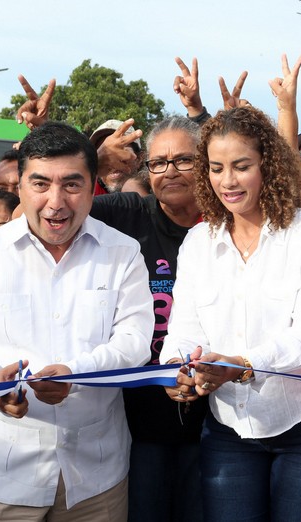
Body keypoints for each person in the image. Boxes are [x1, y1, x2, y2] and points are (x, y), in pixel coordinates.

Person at [0, 121, 155, 520]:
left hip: (96, 478)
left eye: (71, 184)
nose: (56, 202)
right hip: (3, 475)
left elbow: (134, 342)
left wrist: (77, 373)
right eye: (40, 184)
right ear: (19, 188)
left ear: (93, 186)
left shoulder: (122, 253)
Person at [160, 106, 301, 521]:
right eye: (216, 168)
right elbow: (184, 328)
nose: (227, 181)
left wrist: (243, 365)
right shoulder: (198, 241)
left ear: (267, 165)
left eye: (241, 166)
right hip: (229, 426)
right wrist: (178, 370)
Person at [89, 115, 208, 522]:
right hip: (138, 422)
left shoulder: (230, 224)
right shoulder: (128, 213)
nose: (169, 171)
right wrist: (95, 161)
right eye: (158, 162)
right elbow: (38, 213)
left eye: (184, 160)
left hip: (214, 420)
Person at [90, 119, 143, 194]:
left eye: (120, 151)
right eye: (104, 156)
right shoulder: (88, 192)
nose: (111, 160)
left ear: (139, 159)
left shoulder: (156, 189)